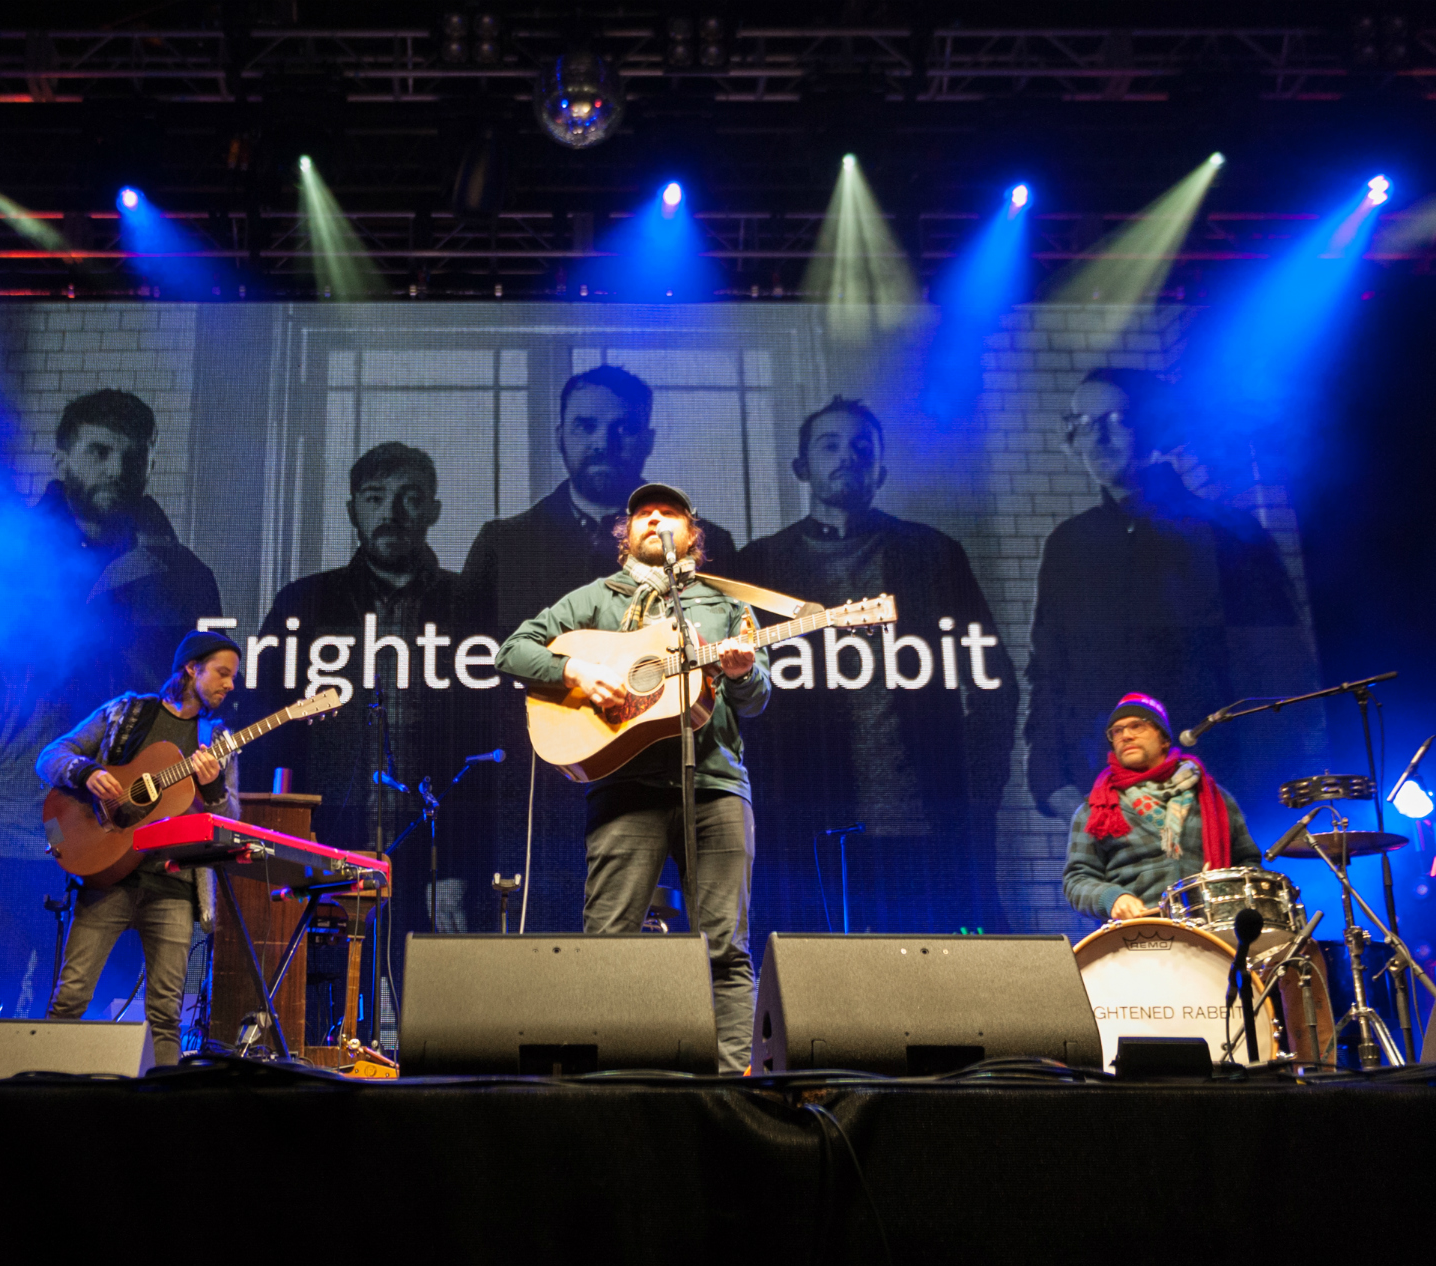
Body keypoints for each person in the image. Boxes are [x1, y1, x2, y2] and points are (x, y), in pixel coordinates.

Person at [0, 386, 222, 1014]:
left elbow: (198, 701)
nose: (117, 469)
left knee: (96, 1022)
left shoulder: (182, 575)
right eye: (100, 451)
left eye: (132, 457)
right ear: (61, 456)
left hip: (122, 832)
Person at [495, 483, 769, 1074]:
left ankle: (734, 1088)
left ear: (692, 532)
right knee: (609, 941)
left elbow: (756, 697)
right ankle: (607, 1082)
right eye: (643, 513)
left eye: (669, 513)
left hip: (716, 785)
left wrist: (743, 672)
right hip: (625, 790)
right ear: (627, 532)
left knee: (726, 946)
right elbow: (512, 651)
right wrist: (578, 671)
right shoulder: (595, 598)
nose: (655, 520)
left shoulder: (723, 604)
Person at [730, 396, 1016, 933]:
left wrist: (977, 786)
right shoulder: (758, 564)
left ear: (881, 470)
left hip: (927, 818)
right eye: (829, 445)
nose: (847, 457)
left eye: (862, 447)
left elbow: (993, 682)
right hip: (806, 820)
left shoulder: (934, 554)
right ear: (801, 467)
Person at [1027, 368, 1302, 823]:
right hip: (1107, 794)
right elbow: (1050, 669)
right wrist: (1050, 779)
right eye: (1083, 422)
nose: (1096, 437)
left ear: (1155, 425)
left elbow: (1277, 671)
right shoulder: (1068, 545)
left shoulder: (1227, 535)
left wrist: (1264, 785)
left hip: (1215, 787)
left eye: (1114, 419)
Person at [246, 441, 469, 924]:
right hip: (323, 845)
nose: (390, 512)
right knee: (324, 993)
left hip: (430, 853)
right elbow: (264, 729)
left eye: (409, 496)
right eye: (373, 497)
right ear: (352, 510)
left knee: (431, 998)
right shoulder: (302, 603)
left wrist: (453, 865)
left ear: (433, 509)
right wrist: (283, 846)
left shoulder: (467, 604)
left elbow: (482, 748)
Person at [36, 631, 242, 1065]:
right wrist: (87, 772)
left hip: (174, 888)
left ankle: (162, 1113)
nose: (230, 684)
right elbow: (51, 755)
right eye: (222, 673)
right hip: (106, 875)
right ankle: (44, 1090)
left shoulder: (218, 740)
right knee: (69, 998)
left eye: (233, 677)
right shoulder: (127, 712)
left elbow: (232, 822)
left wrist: (215, 785)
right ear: (192, 668)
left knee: (166, 1015)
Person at [461, 365, 737, 636]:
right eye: (585, 426)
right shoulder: (502, 546)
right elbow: (467, 656)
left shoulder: (711, 546)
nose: (602, 444)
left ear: (648, 441)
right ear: (560, 438)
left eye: (623, 429)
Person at [1062, 693, 1261, 921]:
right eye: (1117, 731)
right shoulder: (1096, 807)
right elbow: (1077, 880)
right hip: (1134, 935)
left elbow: (1249, 864)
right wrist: (1112, 898)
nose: (1125, 735)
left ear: (1164, 738)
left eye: (1137, 726)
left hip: (1209, 931)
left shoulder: (1214, 798)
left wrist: (1225, 891)